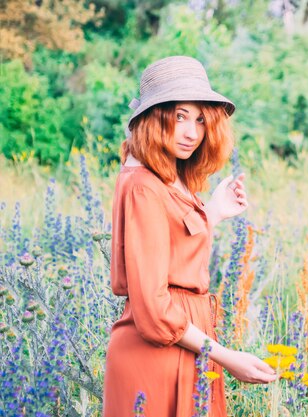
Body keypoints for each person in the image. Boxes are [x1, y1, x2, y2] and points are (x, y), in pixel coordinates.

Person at [103, 56, 277, 417]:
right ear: (154, 117)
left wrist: (212, 211)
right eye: (180, 116)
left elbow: (170, 252)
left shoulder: (159, 178)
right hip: (158, 353)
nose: (192, 132)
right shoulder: (143, 186)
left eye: (200, 120)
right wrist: (227, 357)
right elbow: (153, 307)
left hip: (187, 344)